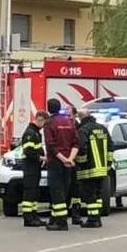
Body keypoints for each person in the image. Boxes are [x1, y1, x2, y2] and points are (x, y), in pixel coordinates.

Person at [43, 99, 79, 231]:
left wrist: (63, 159)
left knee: (56, 191)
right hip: (69, 163)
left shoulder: (49, 123)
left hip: (56, 162)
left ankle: (62, 222)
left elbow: (51, 146)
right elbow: (76, 143)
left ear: (49, 108)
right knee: (64, 190)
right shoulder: (69, 121)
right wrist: (70, 159)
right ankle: (54, 218)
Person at [76, 109, 113, 228]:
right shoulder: (102, 128)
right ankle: (97, 217)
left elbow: (81, 149)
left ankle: (93, 219)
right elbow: (110, 147)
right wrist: (107, 164)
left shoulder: (83, 130)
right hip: (102, 168)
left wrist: (79, 163)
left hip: (89, 169)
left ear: (80, 118)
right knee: (97, 195)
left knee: (89, 195)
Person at [20, 110, 48, 227]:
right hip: (30, 167)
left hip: (35, 167)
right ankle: (28, 218)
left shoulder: (36, 133)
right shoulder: (30, 133)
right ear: (40, 120)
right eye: (44, 123)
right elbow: (29, 152)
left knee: (35, 192)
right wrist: (41, 158)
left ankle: (34, 215)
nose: (44, 127)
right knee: (29, 192)